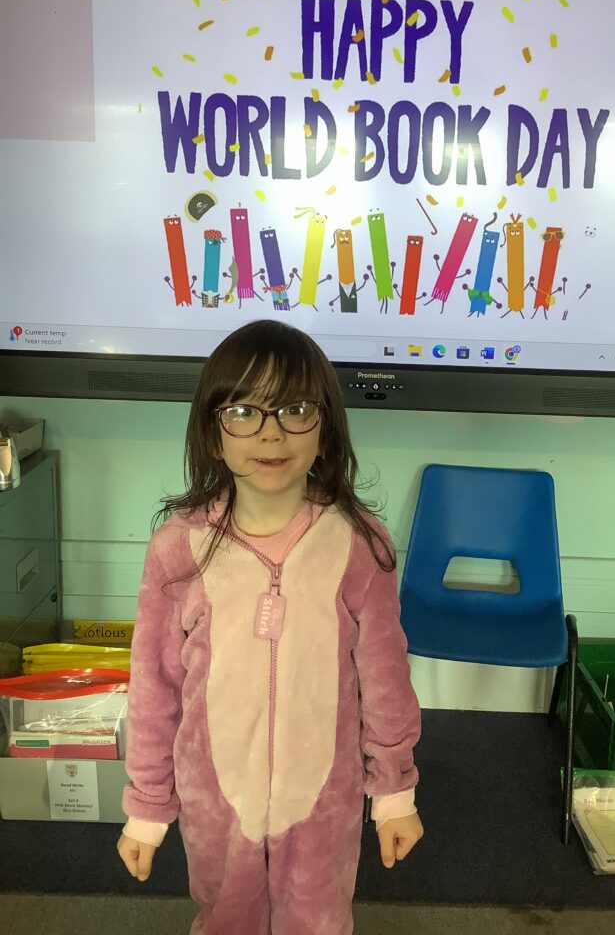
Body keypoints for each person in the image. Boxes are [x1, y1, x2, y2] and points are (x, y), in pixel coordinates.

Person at [116, 319, 423, 934]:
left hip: (323, 802)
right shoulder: (178, 549)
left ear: (325, 427)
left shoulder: (359, 545)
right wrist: (147, 806)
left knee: (318, 920)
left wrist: (394, 792)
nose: (271, 432)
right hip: (215, 799)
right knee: (226, 918)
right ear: (213, 433)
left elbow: (386, 678)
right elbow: (154, 687)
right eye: (243, 412)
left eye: (295, 409)